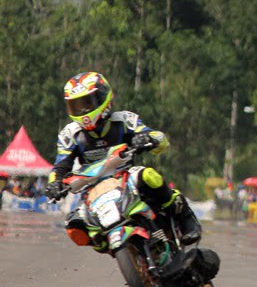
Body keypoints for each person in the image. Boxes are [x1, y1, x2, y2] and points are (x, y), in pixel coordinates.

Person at [45, 71, 201, 246]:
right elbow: (60, 166)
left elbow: (161, 140)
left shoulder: (125, 120)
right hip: (92, 190)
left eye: (87, 103)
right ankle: (114, 246)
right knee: (75, 226)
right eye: (76, 106)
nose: (82, 111)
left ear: (103, 98)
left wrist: (147, 138)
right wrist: (54, 184)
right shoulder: (69, 134)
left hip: (127, 179)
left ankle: (184, 215)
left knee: (148, 175)